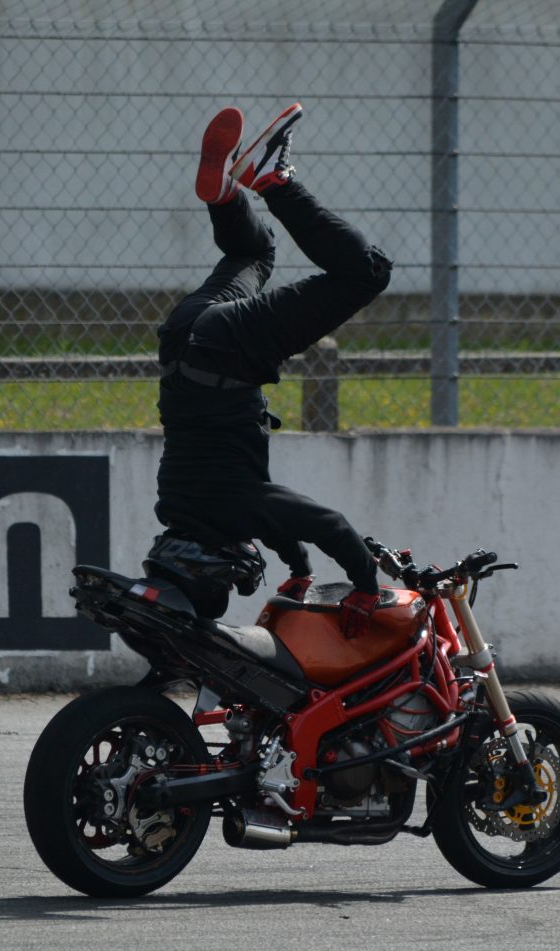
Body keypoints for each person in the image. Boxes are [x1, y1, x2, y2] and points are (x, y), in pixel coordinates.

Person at [150, 103, 393, 638]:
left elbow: (328, 525)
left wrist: (366, 586)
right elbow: (272, 518)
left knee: (365, 273)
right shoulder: (180, 502)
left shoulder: (237, 507)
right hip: (183, 337)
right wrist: (300, 570)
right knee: (255, 252)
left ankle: (273, 180)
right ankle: (226, 198)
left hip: (229, 349)